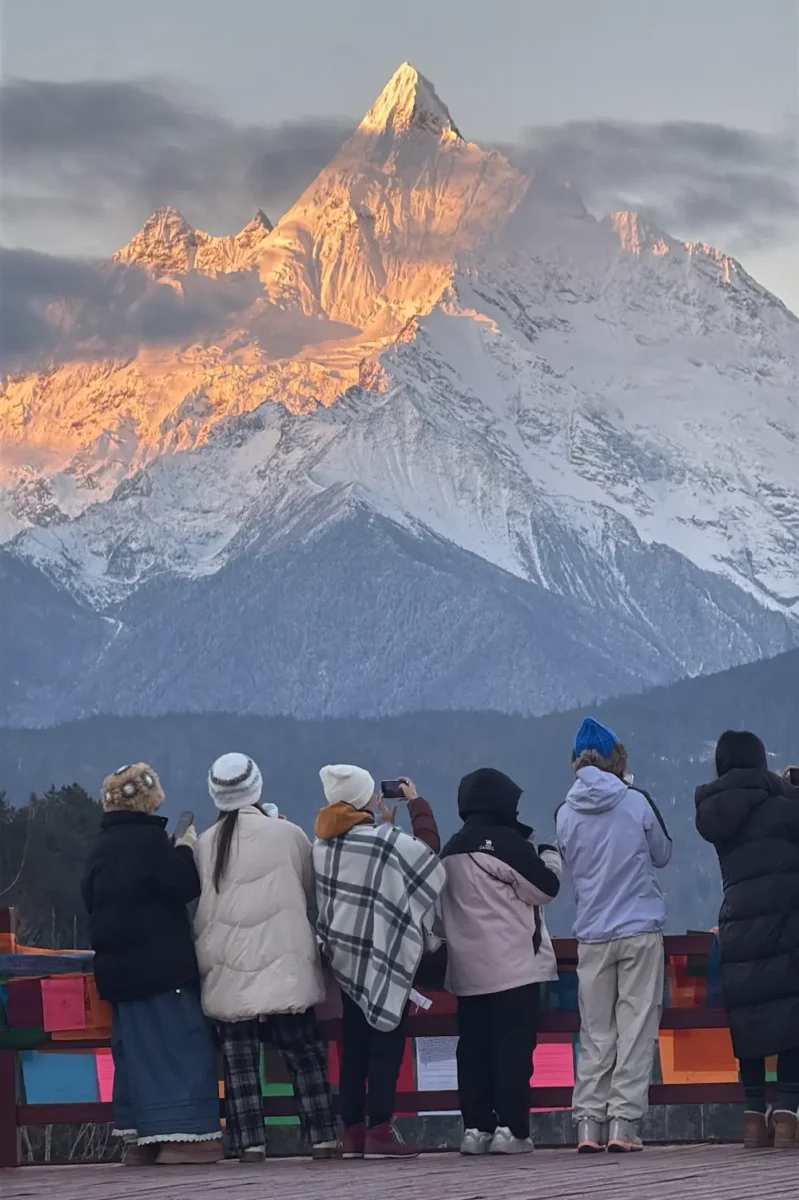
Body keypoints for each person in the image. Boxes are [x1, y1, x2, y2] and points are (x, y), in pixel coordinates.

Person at [193, 753, 338, 1162]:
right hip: (283, 961)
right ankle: (323, 1136)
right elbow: (311, 896)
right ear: (256, 786)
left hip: (228, 967)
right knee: (304, 1054)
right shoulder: (289, 835)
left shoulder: (205, 844)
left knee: (239, 1064)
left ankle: (249, 1142)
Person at [81, 764, 222, 1166]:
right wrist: (183, 849)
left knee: (134, 1054)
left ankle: (139, 1136)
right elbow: (182, 886)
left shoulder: (99, 848)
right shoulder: (150, 842)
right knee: (177, 1047)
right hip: (161, 968)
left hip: (118, 972)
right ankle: (185, 1137)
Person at [313, 766, 445, 1159]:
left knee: (352, 1048)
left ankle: (352, 1133)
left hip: (345, 958)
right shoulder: (384, 843)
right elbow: (428, 855)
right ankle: (379, 1131)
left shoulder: (321, 845)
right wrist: (416, 805)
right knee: (386, 1045)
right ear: (364, 798)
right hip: (384, 954)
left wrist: (386, 827)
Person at [556, 718, 672, 1154]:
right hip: (639, 928)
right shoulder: (636, 802)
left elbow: (567, 863)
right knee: (636, 1028)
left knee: (595, 1032)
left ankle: (588, 1121)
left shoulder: (565, 813)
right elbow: (663, 853)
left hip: (592, 932)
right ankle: (623, 1124)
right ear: (617, 760)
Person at [440, 767, 562, 1156]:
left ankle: (475, 1128)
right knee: (512, 1050)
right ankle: (512, 1128)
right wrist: (550, 856)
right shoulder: (506, 844)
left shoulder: (452, 848)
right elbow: (545, 888)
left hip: (466, 969)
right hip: (512, 968)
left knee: (473, 1051)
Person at [695, 731, 799, 1150]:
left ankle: (754, 1117)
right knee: (792, 1014)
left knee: (750, 1015)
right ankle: (790, 1113)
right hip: (787, 921)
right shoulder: (783, 806)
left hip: (737, 922)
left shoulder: (719, 816)